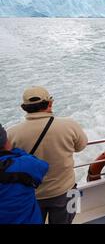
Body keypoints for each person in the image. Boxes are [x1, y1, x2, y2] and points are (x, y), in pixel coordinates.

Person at [7, 86, 88, 224]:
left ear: (24, 108)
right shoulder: (70, 125)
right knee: (69, 218)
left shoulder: (12, 133)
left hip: (32, 195)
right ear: (50, 104)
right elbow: (80, 147)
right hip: (67, 190)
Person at [0, 124, 49, 224]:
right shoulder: (22, 164)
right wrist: (15, 152)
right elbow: (43, 166)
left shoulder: (14, 130)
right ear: (5, 143)